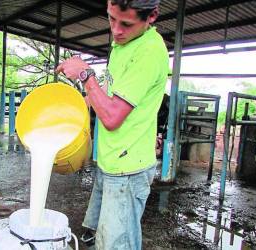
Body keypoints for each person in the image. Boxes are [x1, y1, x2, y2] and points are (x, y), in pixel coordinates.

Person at [56, 0, 168, 249]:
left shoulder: (148, 52)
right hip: (111, 161)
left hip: (128, 170)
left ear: (152, 17)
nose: (115, 30)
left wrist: (85, 75)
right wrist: (70, 107)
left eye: (126, 23)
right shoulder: (124, 44)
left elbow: (112, 117)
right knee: (99, 238)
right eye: (111, 19)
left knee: (117, 244)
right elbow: (108, 92)